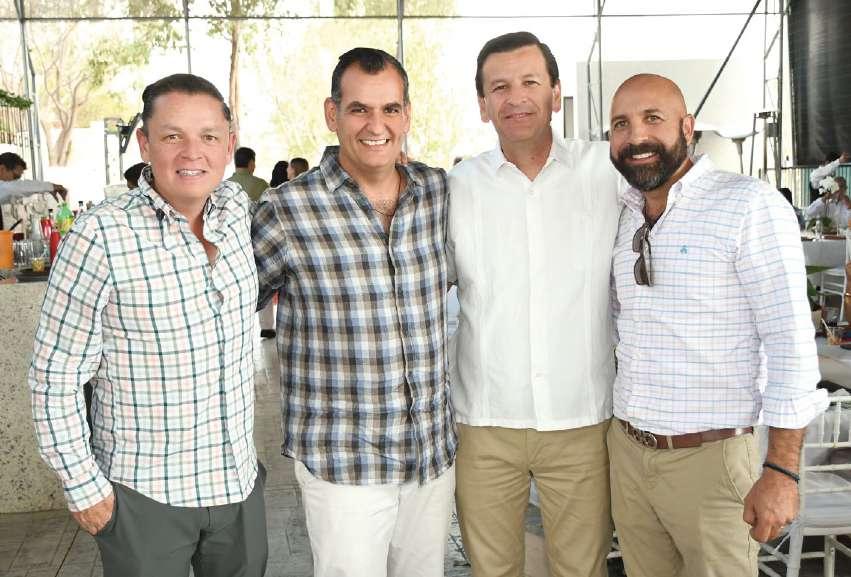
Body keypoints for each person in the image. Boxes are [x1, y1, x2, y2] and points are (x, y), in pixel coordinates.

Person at [29, 73, 267, 577]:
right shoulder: (100, 235)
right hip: (146, 497)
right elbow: (54, 377)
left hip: (238, 486)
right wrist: (84, 487)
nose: (192, 152)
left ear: (229, 145)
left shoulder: (234, 211)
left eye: (208, 136)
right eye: (172, 135)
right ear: (144, 143)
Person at [607, 73, 827, 577]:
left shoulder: (748, 204)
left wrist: (781, 470)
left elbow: (791, 342)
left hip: (712, 461)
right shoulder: (625, 216)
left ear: (687, 127)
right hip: (630, 455)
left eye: (653, 118)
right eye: (621, 124)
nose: (636, 136)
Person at [252, 47, 455, 577]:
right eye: (359, 109)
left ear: (407, 115)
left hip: (429, 456)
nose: (376, 125)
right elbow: (224, 305)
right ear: (332, 113)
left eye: (390, 109)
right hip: (343, 463)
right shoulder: (288, 210)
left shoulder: (437, 193)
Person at [448, 31, 620, 577]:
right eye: (499, 87)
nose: (516, 97)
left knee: (582, 568)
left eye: (529, 82)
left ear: (555, 93)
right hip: (485, 422)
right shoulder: (456, 188)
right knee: (492, 569)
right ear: (483, 104)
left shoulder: (607, 173)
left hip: (582, 419)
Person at [0, 151, 66, 202]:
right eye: (15, 178)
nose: (17, 181)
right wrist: (51, 187)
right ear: (2, 169)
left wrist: (47, 189)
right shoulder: (4, 186)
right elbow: (16, 186)